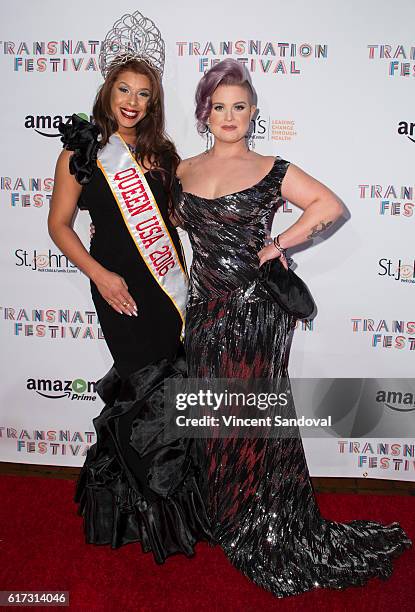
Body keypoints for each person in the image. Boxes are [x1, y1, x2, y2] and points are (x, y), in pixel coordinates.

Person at [175, 58, 411, 597]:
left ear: (253, 113)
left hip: (257, 313)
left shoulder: (272, 168)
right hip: (205, 311)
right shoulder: (182, 171)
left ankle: (265, 520)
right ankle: (224, 510)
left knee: (254, 413)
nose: (229, 115)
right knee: (210, 413)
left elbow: (329, 206)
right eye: (219, 106)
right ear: (204, 113)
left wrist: (279, 244)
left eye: (239, 106)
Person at [48, 56, 211, 564]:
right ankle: (135, 507)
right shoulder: (84, 151)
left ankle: (162, 511)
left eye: (143, 94)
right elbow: (58, 225)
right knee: (141, 387)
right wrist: (98, 274)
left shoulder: (162, 153)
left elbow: (177, 217)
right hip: (115, 285)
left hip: (163, 289)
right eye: (124, 90)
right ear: (108, 92)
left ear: (153, 102)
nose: (132, 102)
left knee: (167, 385)